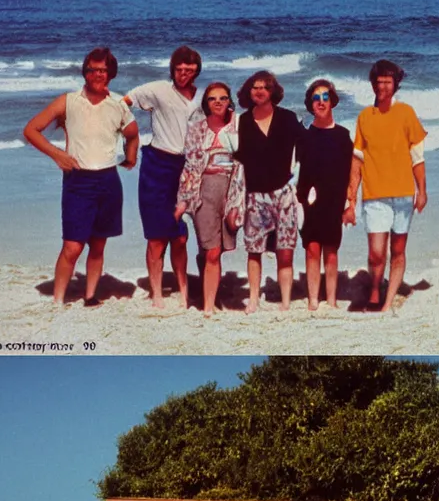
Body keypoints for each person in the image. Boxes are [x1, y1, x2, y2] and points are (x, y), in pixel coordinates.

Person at [26, 47, 137, 306]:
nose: (98, 74)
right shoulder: (68, 101)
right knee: (73, 246)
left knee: (98, 245)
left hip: (109, 181)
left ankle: (90, 296)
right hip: (78, 181)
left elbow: (132, 133)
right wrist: (56, 155)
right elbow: (31, 129)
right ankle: (58, 300)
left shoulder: (119, 104)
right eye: (92, 70)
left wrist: (131, 157)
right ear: (85, 73)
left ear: (111, 73)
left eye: (103, 70)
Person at [122, 46, 201, 308]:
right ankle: (156, 293)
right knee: (156, 236)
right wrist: (128, 138)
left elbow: (224, 123)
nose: (183, 74)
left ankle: (182, 289)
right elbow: (124, 103)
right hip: (157, 166)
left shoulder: (203, 97)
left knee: (180, 236)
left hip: (188, 169)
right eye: (179, 69)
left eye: (189, 70)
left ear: (196, 71)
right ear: (172, 69)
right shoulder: (158, 90)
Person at [349, 59, 428, 312]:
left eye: (388, 81)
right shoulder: (364, 116)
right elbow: (357, 159)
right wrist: (351, 194)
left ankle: (387, 301)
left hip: (404, 193)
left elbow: (418, 156)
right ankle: (374, 288)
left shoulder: (406, 113)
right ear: (373, 84)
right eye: (379, 81)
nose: (383, 86)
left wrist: (422, 191)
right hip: (374, 195)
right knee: (376, 253)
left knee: (398, 250)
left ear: (395, 85)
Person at [233, 69, 304, 313]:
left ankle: (285, 301)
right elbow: (232, 159)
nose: (260, 91)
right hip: (254, 196)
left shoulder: (288, 118)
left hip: (284, 193)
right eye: (255, 87)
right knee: (254, 250)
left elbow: (308, 149)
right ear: (248, 92)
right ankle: (253, 298)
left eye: (265, 87)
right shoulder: (240, 122)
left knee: (285, 251)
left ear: (273, 91)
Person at [174, 81, 244, 314]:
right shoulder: (196, 129)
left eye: (223, 98)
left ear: (229, 101)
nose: (218, 103)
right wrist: (184, 199)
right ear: (206, 103)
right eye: (213, 99)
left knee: (219, 248)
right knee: (212, 249)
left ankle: (207, 281)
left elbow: (246, 160)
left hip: (232, 190)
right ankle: (208, 307)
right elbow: (191, 166)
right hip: (203, 190)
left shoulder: (239, 125)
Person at [295, 79, 353, 310]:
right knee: (312, 249)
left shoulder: (343, 135)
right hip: (308, 199)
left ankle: (331, 299)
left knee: (331, 251)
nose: (321, 102)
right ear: (310, 104)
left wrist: (349, 203)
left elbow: (351, 172)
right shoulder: (305, 136)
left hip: (334, 199)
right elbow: (295, 169)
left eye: (325, 97)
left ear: (333, 102)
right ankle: (312, 299)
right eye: (316, 98)